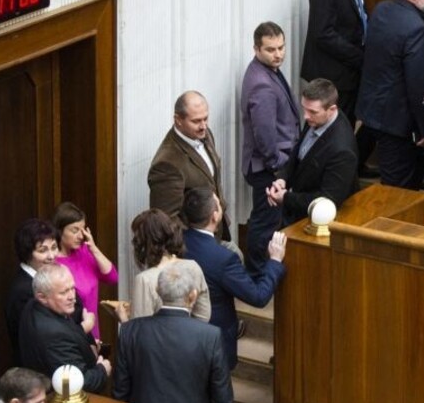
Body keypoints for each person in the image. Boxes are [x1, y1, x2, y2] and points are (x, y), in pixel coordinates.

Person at [113, 262, 234, 403]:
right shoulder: (209, 336)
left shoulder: (130, 331)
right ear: (193, 296)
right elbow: (221, 394)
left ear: (158, 291)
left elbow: (120, 390)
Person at [182, 187, 286, 369]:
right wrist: (275, 261)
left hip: (182, 335)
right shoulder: (223, 258)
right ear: (215, 216)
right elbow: (258, 296)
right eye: (219, 204)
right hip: (214, 341)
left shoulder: (176, 243)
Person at [356, 0, 424, 190]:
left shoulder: (382, 10)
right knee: (398, 191)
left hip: (371, 111)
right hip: (396, 123)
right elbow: (418, 85)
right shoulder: (416, 30)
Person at [240, 21, 300, 277]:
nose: (278, 54)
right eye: (271, 49)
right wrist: (278, 168)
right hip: (268, 167)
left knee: (268, 220)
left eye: (281, 47)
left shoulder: (267, 70)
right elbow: (264, 134)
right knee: (265, 223)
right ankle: (255, 273)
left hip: (270, 164)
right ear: (256, 49)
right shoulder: (261, 84)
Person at [301, 0, 369, 131]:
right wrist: (360, 57)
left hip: (347, 72)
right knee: (331, 133)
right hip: (333, 76)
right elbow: (323, 33)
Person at [267, 78, 359, 222]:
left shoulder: (342, 151)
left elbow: (328, 200)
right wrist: (282, 178)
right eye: (304, 108)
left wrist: (286, 197)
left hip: (318, 222)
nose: (305, 116)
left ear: (332, 109)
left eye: (312, 111)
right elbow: (299, 152)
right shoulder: (317, 117)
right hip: (297, 210)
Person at [148, 90, 234, 243]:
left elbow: (211, 179)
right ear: (178, 120)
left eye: (206, 119)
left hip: (217, 233)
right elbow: (167, 220)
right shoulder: (167, 163)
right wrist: (198, 244)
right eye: (196, 121)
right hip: (194, 247)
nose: (203, 126)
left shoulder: (205, 135)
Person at [6, 218, 90, 366]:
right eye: (43, 250)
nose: (51, 256)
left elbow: (78, 307)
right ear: (27, 253)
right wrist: (84, 328)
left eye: (54, 247)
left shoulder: (54, 274)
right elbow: (39, 338)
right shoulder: (23, 290)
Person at [18, 263, 110, 393]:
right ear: (42, 297)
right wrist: (102, 370)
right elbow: (77, 384)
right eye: (64, 292)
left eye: (72, 288)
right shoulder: (55, 334)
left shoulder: (33, 306)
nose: (72, 297)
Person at [128, 208, 211, 321]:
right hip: (192, 336)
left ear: (142, 243)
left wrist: (123, 318)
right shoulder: (193, 267)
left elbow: (139, 331)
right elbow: (204, 316)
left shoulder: (144, 280)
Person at [53, 201, 117, 339]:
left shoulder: (84, 252)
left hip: (93, 333)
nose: (81, 236)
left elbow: (112, 277)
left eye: (82, 230)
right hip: (72, 334)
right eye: (74, 230)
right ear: (60, 230)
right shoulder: (53, 263)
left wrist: (93, 248)